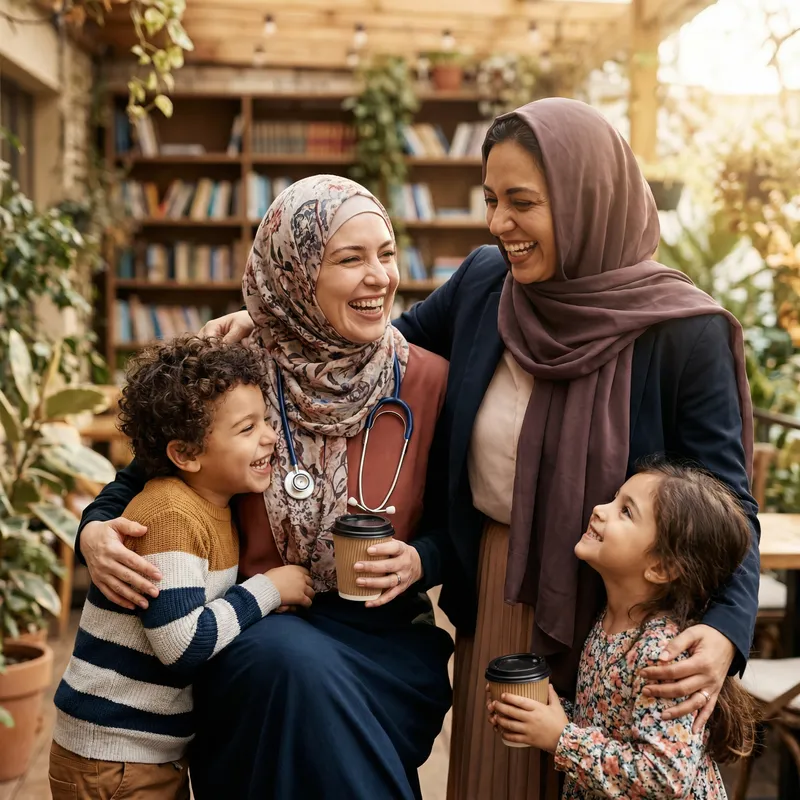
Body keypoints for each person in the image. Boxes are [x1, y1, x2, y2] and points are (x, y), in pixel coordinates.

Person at [196, 98, 760, 800]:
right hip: (501, 584)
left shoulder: (684, 331)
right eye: (491, 199)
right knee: (498, 780)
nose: (498, 224)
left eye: (522, 201)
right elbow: (370, 346)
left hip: (622, 610)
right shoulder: (488, 282)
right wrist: (279, 312)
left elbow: (728, 503)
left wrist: (728, 633)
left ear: (587, 199)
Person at [72, 175, 454, 800]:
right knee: (288, 667)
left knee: (307, 683)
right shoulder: (237, 370)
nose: (379, 276)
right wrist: (92, 531)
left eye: (386, 253)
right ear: (297, 275)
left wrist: (421, 559)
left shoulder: (429, 383)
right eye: (349, 258)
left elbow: (457, 530)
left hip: (384, 640)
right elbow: (142, 476)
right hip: (255, 628)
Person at [49, 336, 314, 800]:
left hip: (142, 751)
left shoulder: (213, 506)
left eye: (266, 421)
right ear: (187, 455)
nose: (270, 437)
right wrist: (270, 590)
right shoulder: (171, 515)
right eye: (247, 428)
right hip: (114, 756)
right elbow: (182, 644)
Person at [487, 460, 757, 799]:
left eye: (626, 511)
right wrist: (537, 713)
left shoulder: (663, 653)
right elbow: (610, 723)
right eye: (615, 498)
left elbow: (665, 776)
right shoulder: (608, 622)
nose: (600, 509)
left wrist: (560, 738)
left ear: (661, 567)